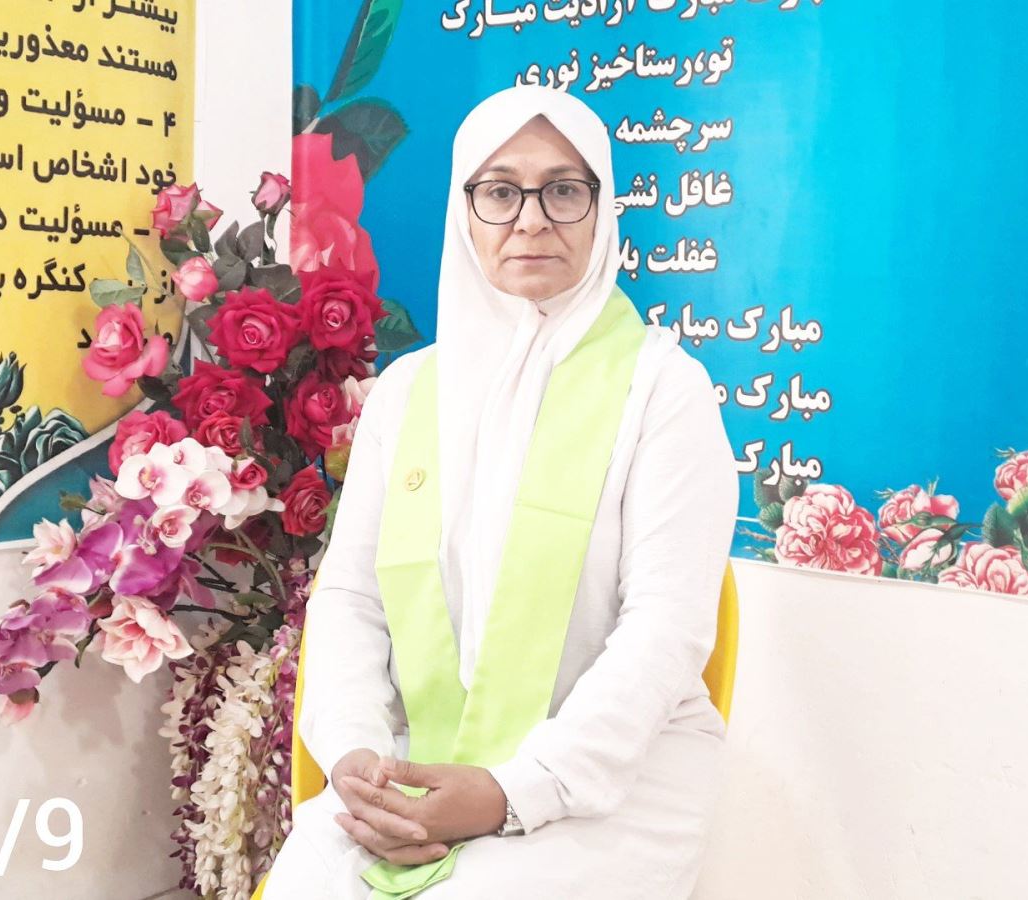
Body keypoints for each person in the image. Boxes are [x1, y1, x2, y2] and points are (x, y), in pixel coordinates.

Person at [261, 84, 737, 899]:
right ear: (465, 209)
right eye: (500, 191)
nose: (531, 220)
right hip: (421, 754)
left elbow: (665, 630)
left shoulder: (665, 390)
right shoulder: (407, 395)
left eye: (564, 190)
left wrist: (513, 791)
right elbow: (351, 597)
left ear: (601, 210)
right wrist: (355, 756)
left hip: (613, 773)